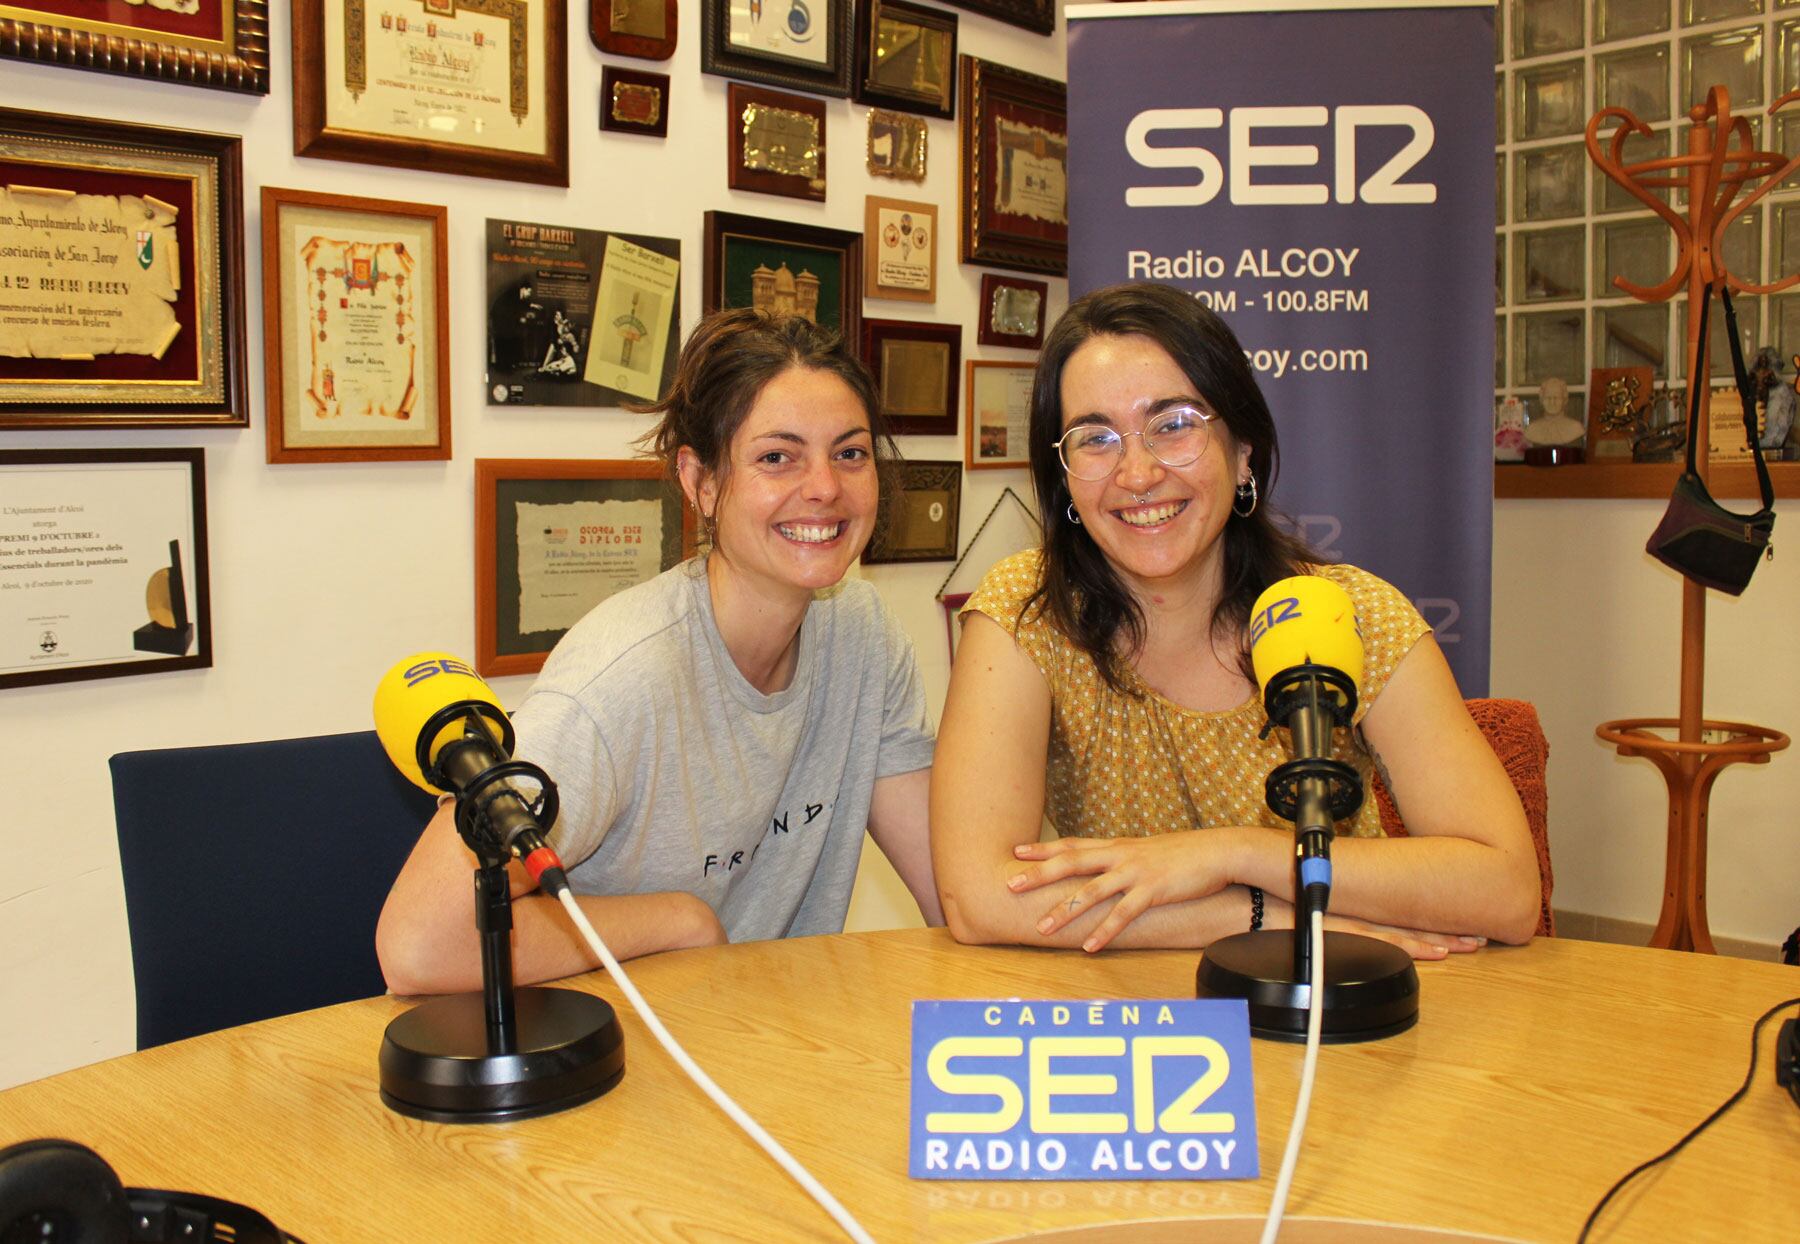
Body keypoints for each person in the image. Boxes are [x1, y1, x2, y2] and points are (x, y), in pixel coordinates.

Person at [929, 283, 1540, 958]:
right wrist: (1268, 915)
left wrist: (1235, 855)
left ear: (1243, 451)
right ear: (1064, 477)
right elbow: (978, 897)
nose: (1136, 474)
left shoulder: (1350, 613)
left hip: (1335, 1012)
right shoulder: (1028, 613)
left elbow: (1508, 892)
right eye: (1094, 438)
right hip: (1143, 1027)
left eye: (1174, 425)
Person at [378, 310, 942, 995]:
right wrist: (679, 921)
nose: (825, 486)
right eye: (777, 456)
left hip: (755, 1043)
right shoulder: (621, 679)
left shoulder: (866, 637)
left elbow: (949, 887)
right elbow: (418, 947)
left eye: (850, 453)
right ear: (699, 480)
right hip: (595, 1059)